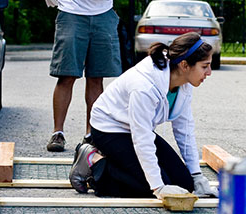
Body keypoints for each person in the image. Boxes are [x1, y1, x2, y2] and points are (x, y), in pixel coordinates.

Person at [67, 32, 218, 199]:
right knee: (149, 187)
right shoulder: (145, 87)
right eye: (205, 66)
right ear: (184, 65)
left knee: (185, 184)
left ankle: (123, 163)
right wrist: (158, 187)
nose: (209, 72)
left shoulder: (184, 82)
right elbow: (142, 138)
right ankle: (92, 161)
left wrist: (196, 175)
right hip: (109, 129)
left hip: (133, 127)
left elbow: (185, 130)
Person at [44, 0, 122, 152]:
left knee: (96, 78)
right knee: (66, 75)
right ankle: (57, 133)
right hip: (71, 12)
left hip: (104, 14)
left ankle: (91, 134)